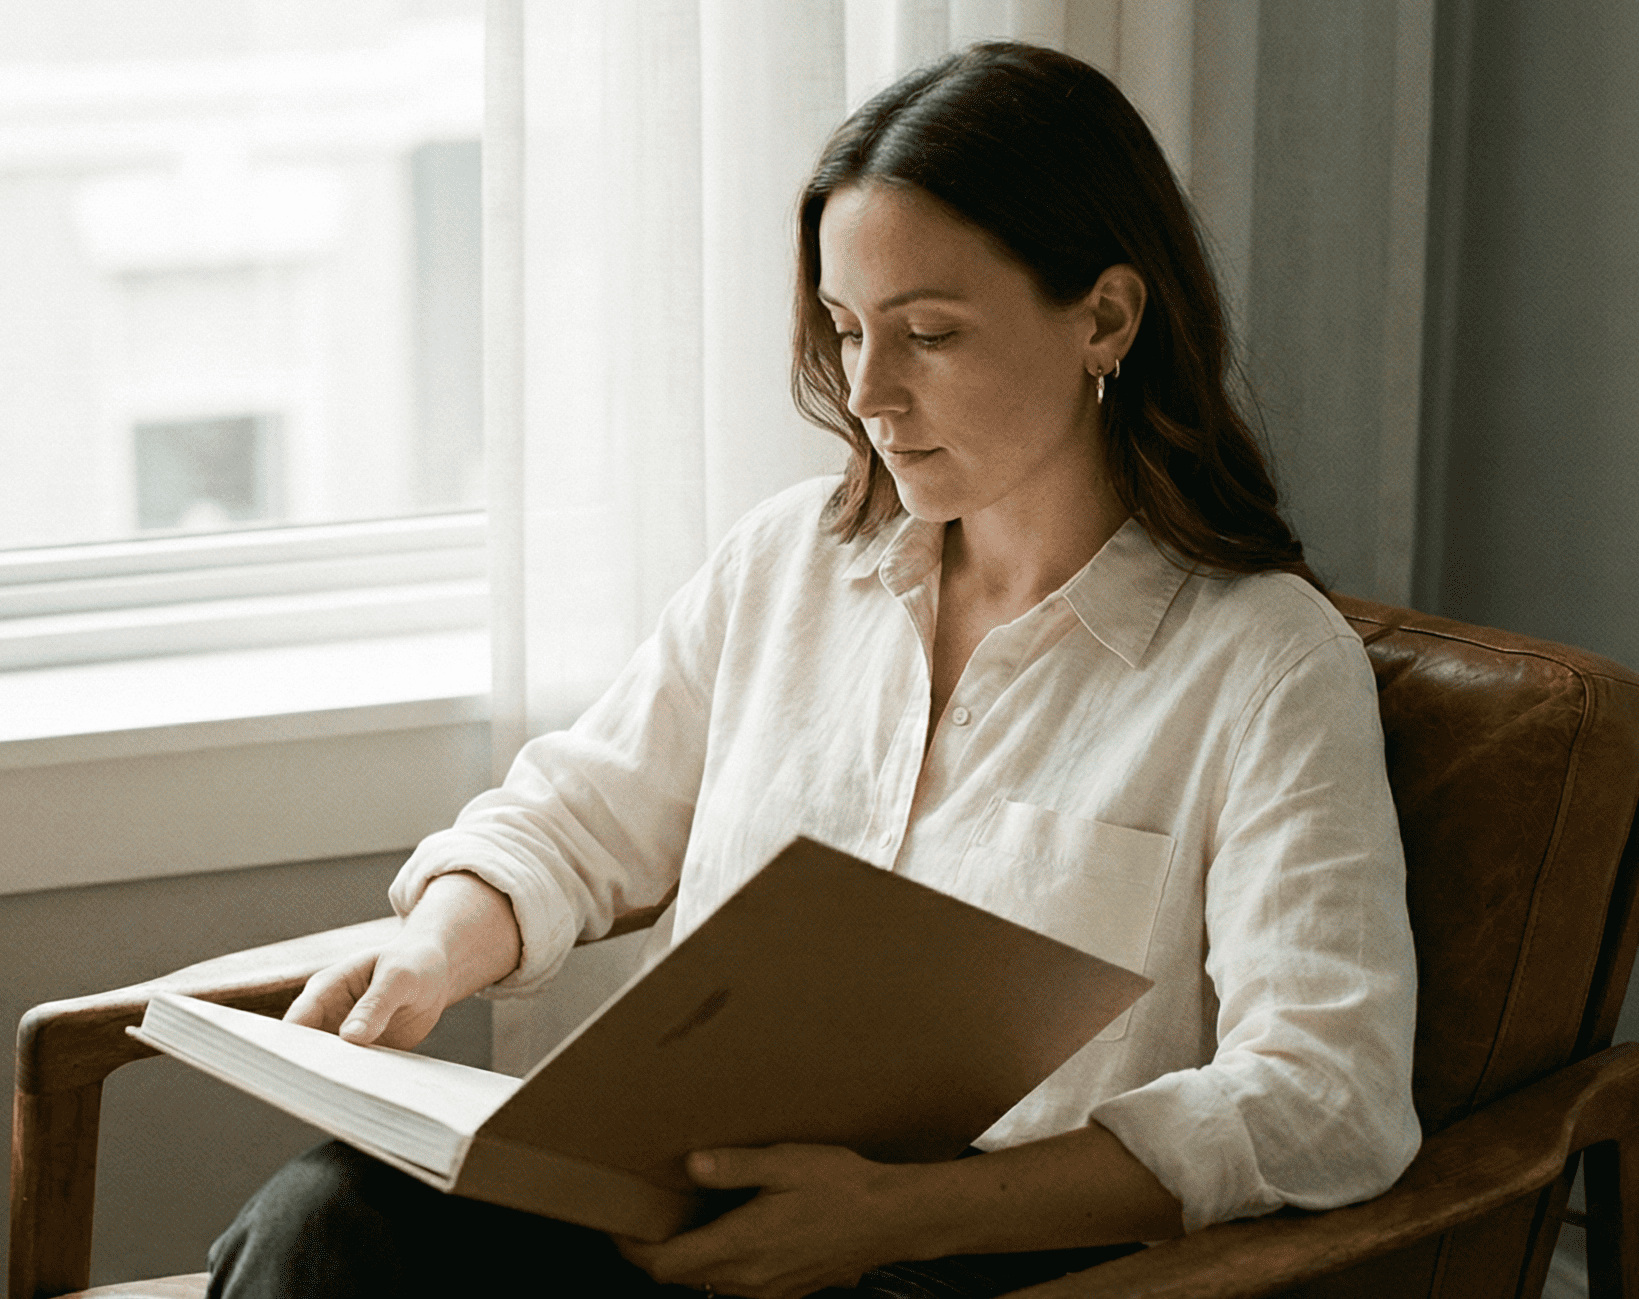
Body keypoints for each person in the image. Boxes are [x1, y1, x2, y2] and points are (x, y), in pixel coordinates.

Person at [203, 40, 1421, 1299]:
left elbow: (1328, 1095)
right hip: (682, 1213)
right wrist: (442, 946)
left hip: (981, 1264)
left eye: (930, 334)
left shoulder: (1265, 665)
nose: (870, 392)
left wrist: (899, 1218)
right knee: (328, 1221)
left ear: (1105, 317)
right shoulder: (791, 564)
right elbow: (582, 812)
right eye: (846, 329)